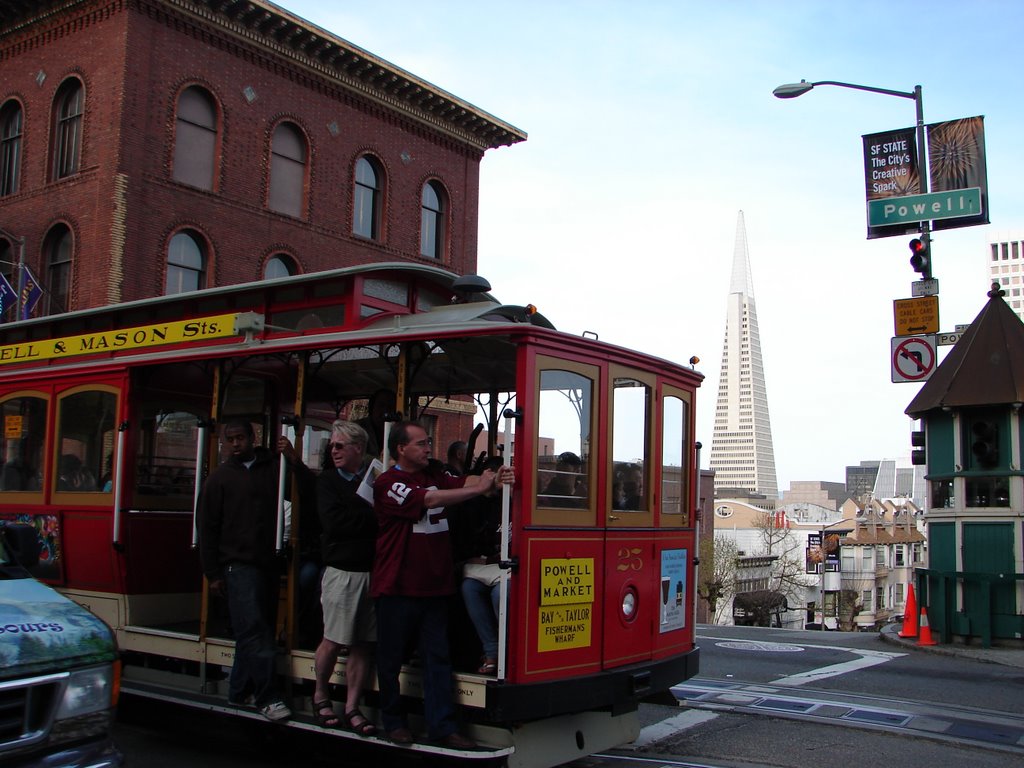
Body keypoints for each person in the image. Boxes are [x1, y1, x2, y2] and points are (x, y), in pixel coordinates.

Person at [372, 421, 513, 748]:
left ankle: (442, 727)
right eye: (421, 443)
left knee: (438, 660)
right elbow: (430, 502)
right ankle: (393, 722)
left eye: (429, 442)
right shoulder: (389, 482)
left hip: (434, 587)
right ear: (400, 449)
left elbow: (467, 480)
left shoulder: (436, 473)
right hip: (397, 587)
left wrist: (497, 478)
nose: (427, 448)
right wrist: (479, 489)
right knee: (391, 660)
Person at [197, 420, 308, 722]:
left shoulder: (273, 467)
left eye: (240, 438)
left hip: (268, 562)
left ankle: (237, 690)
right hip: (237, 565)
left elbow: (303, 487)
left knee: (256, 631)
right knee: (256, 631)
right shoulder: (219, 479)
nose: (235, 444)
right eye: (230, 439)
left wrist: (294, 459)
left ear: (252, 437)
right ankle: (267, 697)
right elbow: (207, 528)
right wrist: (213, 573)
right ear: (223, 443)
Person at [311, 421, 377, 736]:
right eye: (332, 445)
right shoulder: (326, 481)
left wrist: (363, 515)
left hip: (370, 570)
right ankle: (320, 694)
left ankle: (352, 705)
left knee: (363, 643)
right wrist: (368, 514)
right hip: (342, 570)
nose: (333, 450)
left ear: (358, 449)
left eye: (340, 446)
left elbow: (382, 519)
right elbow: (335, 523)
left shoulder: (372, 479)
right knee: (334, 639)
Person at [451, 457, 503, 675]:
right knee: (469, 589)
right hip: (474, 569)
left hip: (501, 569)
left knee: (501, 595)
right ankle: (491, 650)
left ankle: (505, 650)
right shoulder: (469, 504)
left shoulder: (508, 501)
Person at [356, 388, 395, 462]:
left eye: (390, 407)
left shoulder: (396, 429)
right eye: (381, 405)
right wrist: (379, 462)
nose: (385, 411)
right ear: (372, 407)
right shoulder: (358, 428)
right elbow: (357, 454)